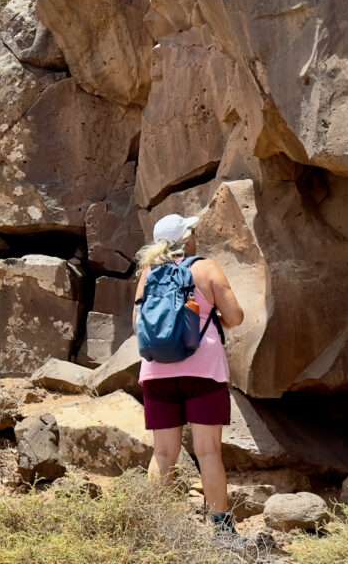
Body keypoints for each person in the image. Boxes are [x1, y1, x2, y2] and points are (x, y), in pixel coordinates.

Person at [134, 214, 245, 534]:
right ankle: (222, 532)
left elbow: (138, 326)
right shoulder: (205, 268)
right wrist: (208, 324)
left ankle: (152, 529)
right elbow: (235, 316)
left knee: (163, 453)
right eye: (192, 230)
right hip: (203, 372)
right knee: (208, 451)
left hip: (156, 372)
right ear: (186, 239)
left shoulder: (148, 273)